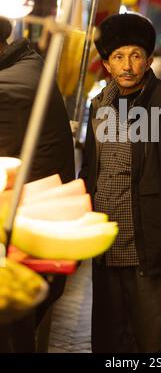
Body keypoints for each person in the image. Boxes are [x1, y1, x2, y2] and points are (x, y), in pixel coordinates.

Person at [79, 13, 161, 353]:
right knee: (110, 339)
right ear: (106, 63)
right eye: (118, 57)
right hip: (106, 244)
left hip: (152, 243)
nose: (127, 66)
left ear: (149, 60)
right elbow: (91, 170)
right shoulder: (98, 106)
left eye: (135, 55)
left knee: (155, 340)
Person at [0, 17, 75, 352]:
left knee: (13, 335)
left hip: (29, 233)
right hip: (38, 228)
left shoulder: (10, 87)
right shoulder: (26, 66)